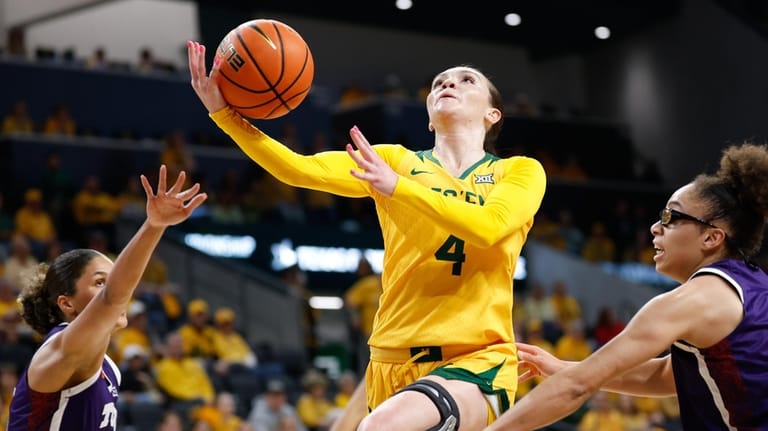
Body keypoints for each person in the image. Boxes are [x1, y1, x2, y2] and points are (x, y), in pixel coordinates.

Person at [188, 40, 547, 431]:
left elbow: (489, 227)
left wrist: (399, 188)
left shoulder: (518, 171)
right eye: (439, 83)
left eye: (466, 80)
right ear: (429, 118)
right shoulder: (393, 162)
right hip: (390, 359)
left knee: (380, 426)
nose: (448, 84)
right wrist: (223, 114)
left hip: (477, 360)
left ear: (492, 115)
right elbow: (298, 169)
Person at [484, 142, 768, 431]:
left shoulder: (692, 301)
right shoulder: (755, 285)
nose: (655, 227)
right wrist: (569, 368)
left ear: (711, 238)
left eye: (670, 217)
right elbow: (668, 375)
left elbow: (576, 388)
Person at [7, 165, 207, 431]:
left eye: (113, 279)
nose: (122, 288)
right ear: (67, 303)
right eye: (101, 282)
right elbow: (113, 298)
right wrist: (153, 225)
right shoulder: (58, 349)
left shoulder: (109, 368)